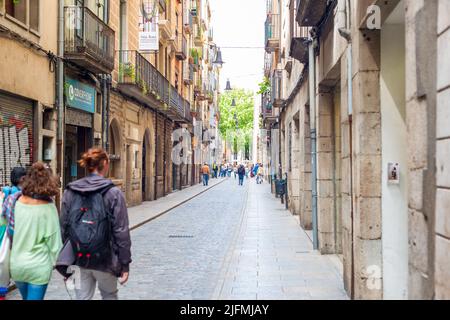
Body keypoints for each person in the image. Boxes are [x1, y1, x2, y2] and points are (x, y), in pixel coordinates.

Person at [60, 148, 132, 300]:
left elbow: (64, 227)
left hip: (79, 258)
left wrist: (70, 257)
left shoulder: (70, 191)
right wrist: (124, 264)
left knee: (82, 297)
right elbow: (121, 231)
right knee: (109, 295)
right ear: (105, 164)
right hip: (105, 259)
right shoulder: (113, 193)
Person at [2, 162, 62, 300]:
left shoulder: (13, 202)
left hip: (17, 265)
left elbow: (6, 228)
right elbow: (55, 245)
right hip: (38, 267)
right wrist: (64, 268)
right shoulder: (49, 208)